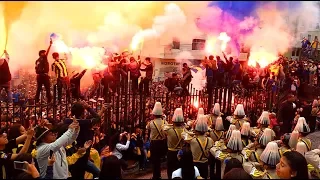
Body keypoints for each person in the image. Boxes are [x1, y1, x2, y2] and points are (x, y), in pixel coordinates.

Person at [146, 102, 168, 179]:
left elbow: (147, 128)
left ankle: (156, 176)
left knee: (155, 161)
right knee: (160, 159)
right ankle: (159, 174)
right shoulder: (165, 122)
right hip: (162, 143)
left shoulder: (151, 123)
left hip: (154, 143)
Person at [163, 108, 185, 179]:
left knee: (170, 170)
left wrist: (171, 124)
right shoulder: (184, 131)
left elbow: (163, 127)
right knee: (179, 169)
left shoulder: (169, 130)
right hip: (180, 152)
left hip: (171, 152)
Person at [189, 115, 213, 179]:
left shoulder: (192, 140)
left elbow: (183, 134)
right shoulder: (210, 140)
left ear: (196, 130)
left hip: (195, 164)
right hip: (205, 163)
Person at [35, 40, 52, 104]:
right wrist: (50, 45)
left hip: (39, 76)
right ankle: (49, 100)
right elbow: (47, 52)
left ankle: (36, 100)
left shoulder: (37, 61)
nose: (45, 54)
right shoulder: (43, 58)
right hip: (44, 75)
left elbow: (36, 69)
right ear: (41, 54)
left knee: (38, 89)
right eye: (44, 53)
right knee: (47, 88)